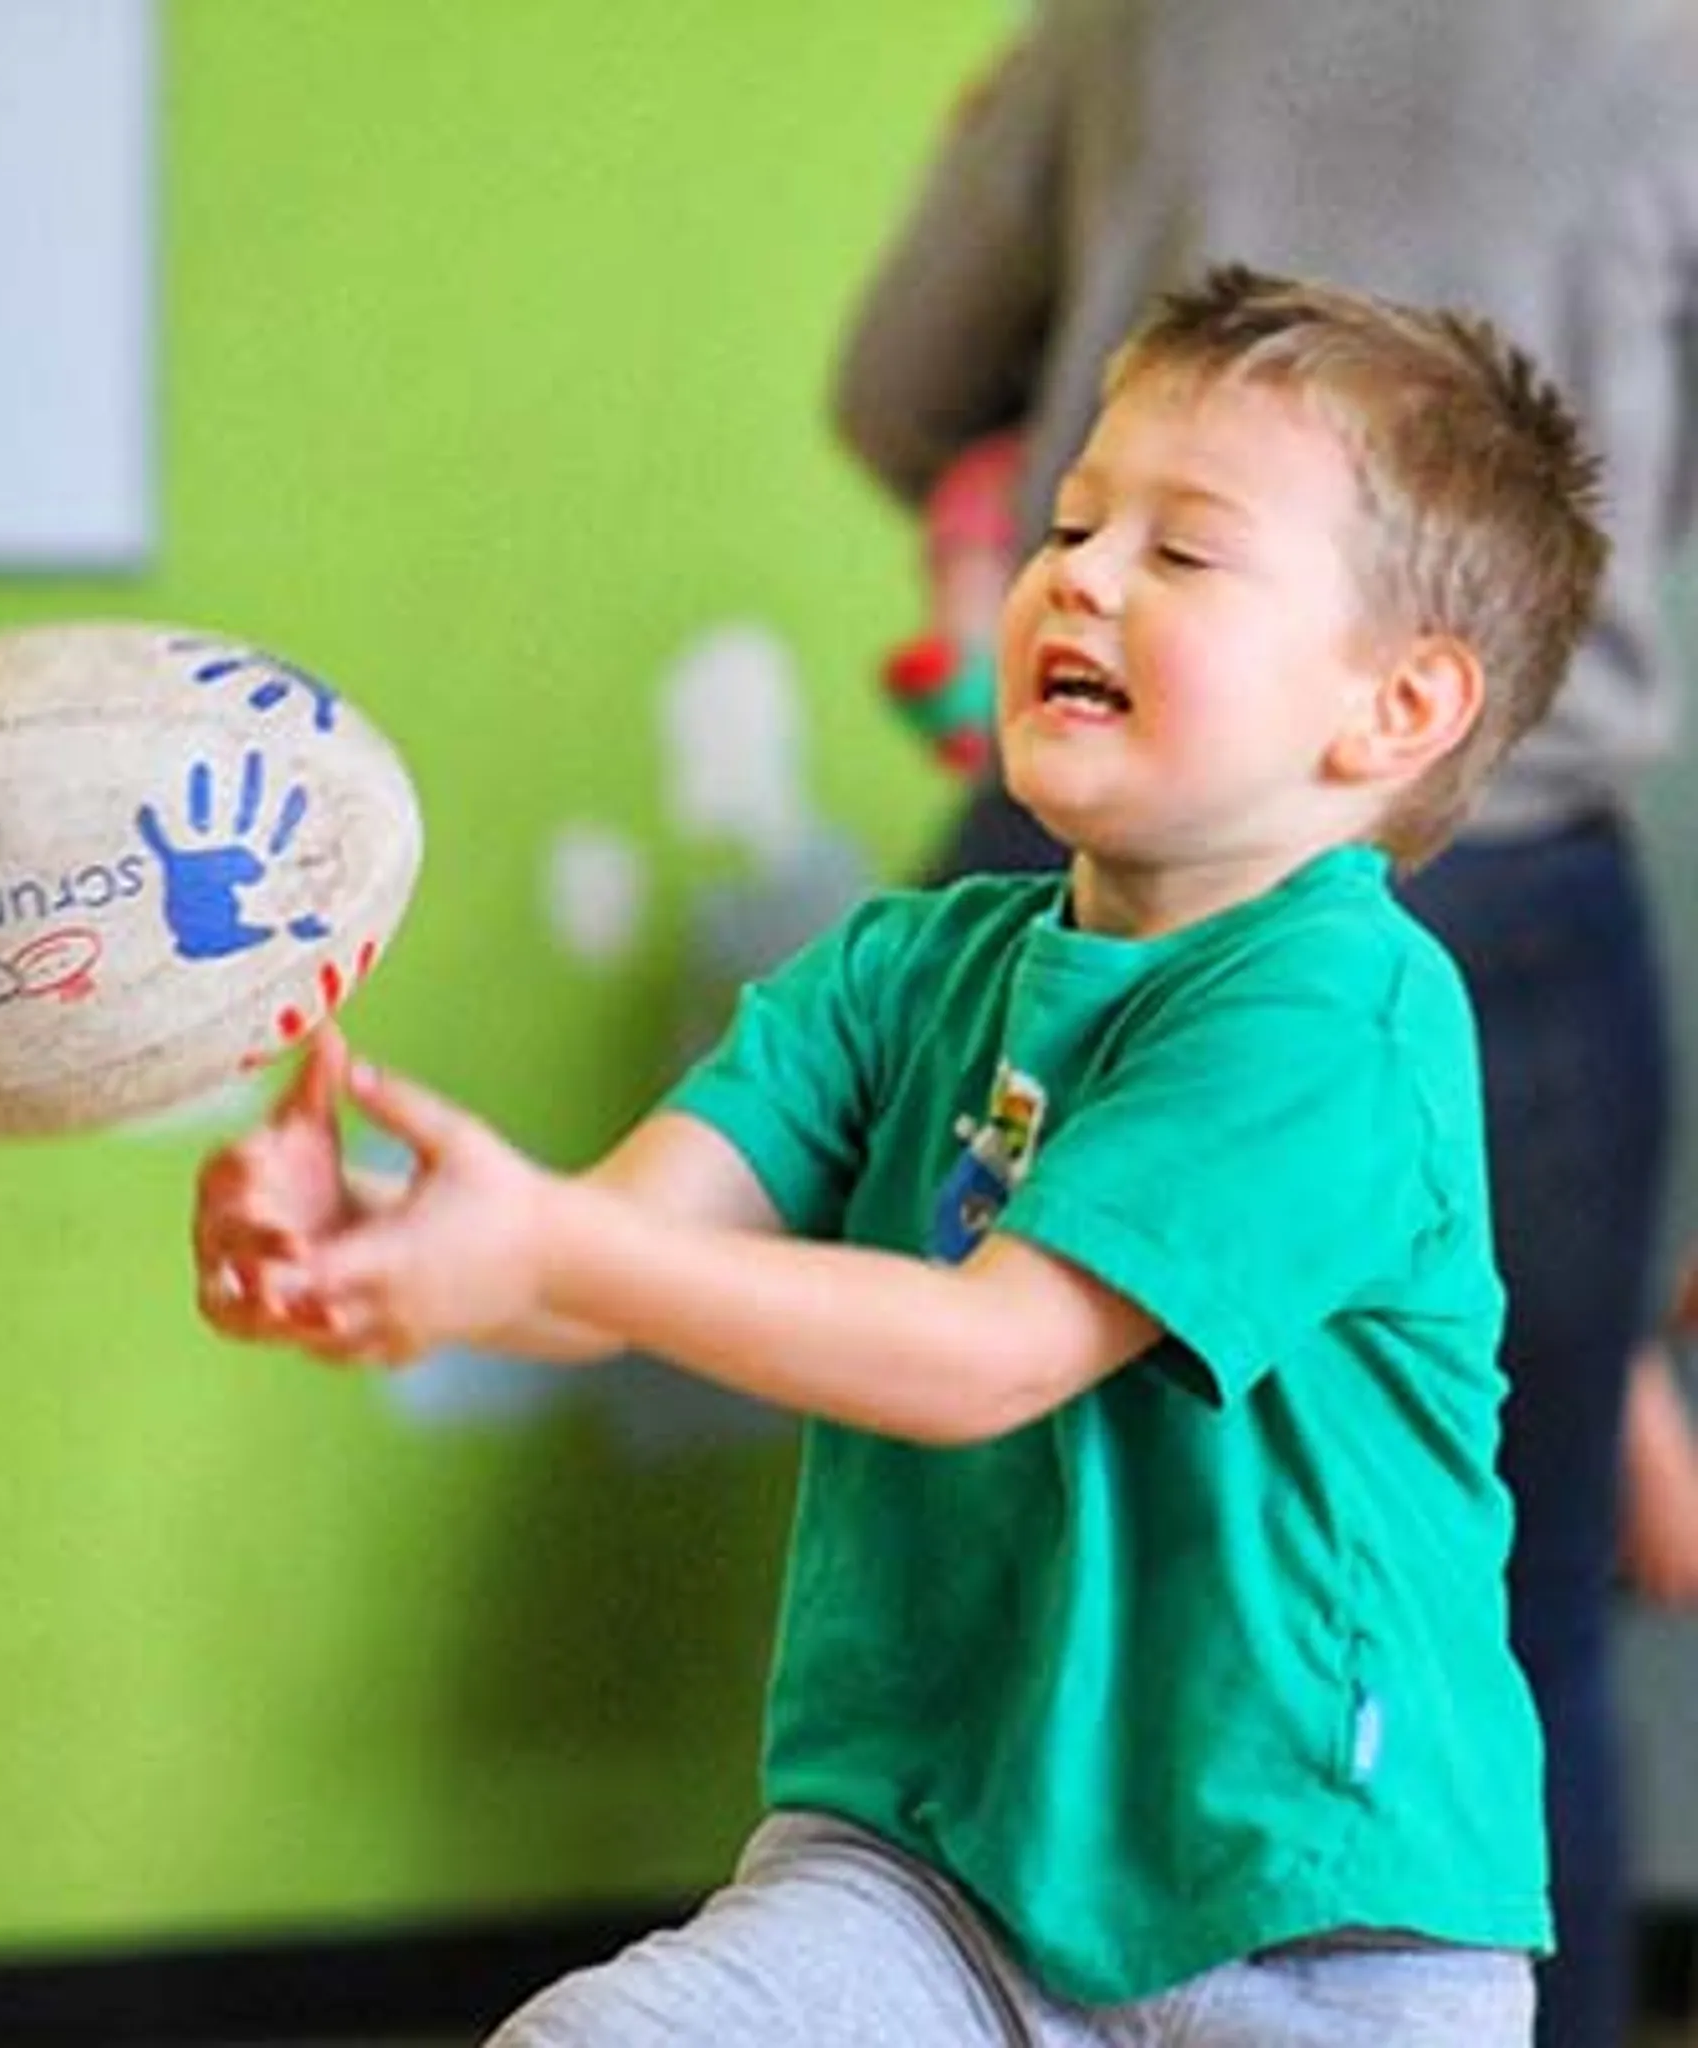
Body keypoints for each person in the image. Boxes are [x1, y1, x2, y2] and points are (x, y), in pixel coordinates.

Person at [195, 265, 1606, 2045]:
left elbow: (990, 1351)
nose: (1078, 572)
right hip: (921, 1880)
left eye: (1183, 554)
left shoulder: (1340, 1009)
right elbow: (610, 1261)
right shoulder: (899, 973)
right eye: (1074, 520)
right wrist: (392, 1247)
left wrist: (550, 1253)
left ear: (1396, 709)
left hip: (1315, 1930)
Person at [828, 10, 1698, 2042]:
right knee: (1509, 1603)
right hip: (1525, 876)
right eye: (1094, 527)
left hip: (1108, 899)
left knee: (998, 1601)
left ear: (1403, 698)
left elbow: (896, 390)